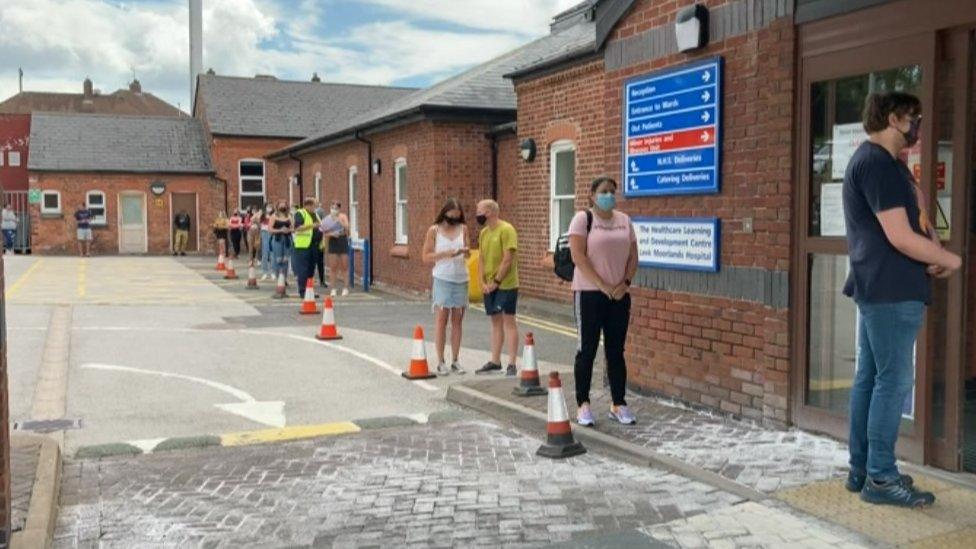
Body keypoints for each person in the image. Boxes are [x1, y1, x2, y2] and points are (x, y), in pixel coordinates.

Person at [843, 92, 961, 508]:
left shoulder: (883, 164)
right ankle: (880, 477)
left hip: (881, 287)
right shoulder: (876, 163)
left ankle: (862, 471)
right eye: (914, 119)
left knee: (872, 379)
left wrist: (932, 244)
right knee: (892, 382)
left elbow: (916, 219)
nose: (918, 127)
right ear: (893, 118)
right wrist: (950, 258)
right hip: (890, 290)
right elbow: (899, 235)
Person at [568, 177, 638, 427]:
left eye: (612, 191)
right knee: (587, 350)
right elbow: (578, 256)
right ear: (592, 195)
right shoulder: (583, 219)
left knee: (616, 351)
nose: (609, 195)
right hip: (589, 293)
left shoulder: (624, 221)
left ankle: (618, 404)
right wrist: (603, 285)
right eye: (603, 191)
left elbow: (633, 256)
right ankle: (583, 404)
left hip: (619, 295)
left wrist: (624, 284)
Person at [422, 198, 470, 375]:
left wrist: (465, 252)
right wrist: (445, 254)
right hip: (442, 278)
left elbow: (468, 252)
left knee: (457, 321)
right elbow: (426, 257)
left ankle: (455, 360)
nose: (454, 221)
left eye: (458, 218)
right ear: (444, 214)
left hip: (461, 278)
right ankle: (441, 361)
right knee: (442, 320)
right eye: (452, 218)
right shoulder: (434, 231)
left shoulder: (463, 229)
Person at [474, 199, 519, 376]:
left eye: (479, 210)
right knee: (495, 322)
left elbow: (508, 258)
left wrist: (496, 282)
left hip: (506, 285)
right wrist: (482, 282)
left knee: (509, 321)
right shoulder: (484, 233)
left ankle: (512, 363)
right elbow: (482, 259)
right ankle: (495, 360)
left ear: (489, 212)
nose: (477, 214)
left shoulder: (507, 230)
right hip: (490, 286)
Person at [291, 198, 320, 296]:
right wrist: (312, 225)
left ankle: (310, 290)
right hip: (302, 246)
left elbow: (320, 225)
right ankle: (303, 291)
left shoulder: (315, 214)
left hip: (314, 245)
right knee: (303, 270)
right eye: (314, 206)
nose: (315, 208)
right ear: (308, 205)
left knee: (311, 270)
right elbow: (297, 228)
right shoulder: (300, 213)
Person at [322, 200, 350, 297]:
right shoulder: (327, 219)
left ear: (339, 209)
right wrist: (331, 234)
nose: (334, 210)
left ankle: (345, 288)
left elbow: (347, 228)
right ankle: (333, 288)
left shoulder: (343, 216)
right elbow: (324, 232)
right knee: (333, 267)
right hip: (332, 240)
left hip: (342, 240)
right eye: (332, 207)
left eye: (336, 208)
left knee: (344, 266)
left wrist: (339, 221)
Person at [268, 201, 293, 290]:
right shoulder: (274, 216)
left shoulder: (289, 216)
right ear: (277, 206)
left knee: (286, 260)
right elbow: (270, 230)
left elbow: (293, 228)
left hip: (287, 239)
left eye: (284, 204)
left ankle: (284, 279)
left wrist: (288, 230)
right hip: (277, 239)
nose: (283, 205)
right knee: (278, 260)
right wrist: (280, 230)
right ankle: (279, 278)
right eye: (281, 204)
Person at [311, 202, 328, 289]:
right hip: (311, 244)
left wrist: (323, 243)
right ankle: (312, 281)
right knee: (312, 264)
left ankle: (322, 281)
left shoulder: (322, 225)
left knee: (320, 264)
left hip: (319, 244)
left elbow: (324, 234)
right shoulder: (313, 222)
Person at [260, 203, 274, 280]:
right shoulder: (262, 215)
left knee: (272, 253)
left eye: (270, 207)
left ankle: (272, 272)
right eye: (268, 207)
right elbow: (253, 219)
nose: (269, 208)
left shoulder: (274, 215)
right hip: (264, 233)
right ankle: (265, 272)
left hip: (272, 233)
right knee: (265, 252)